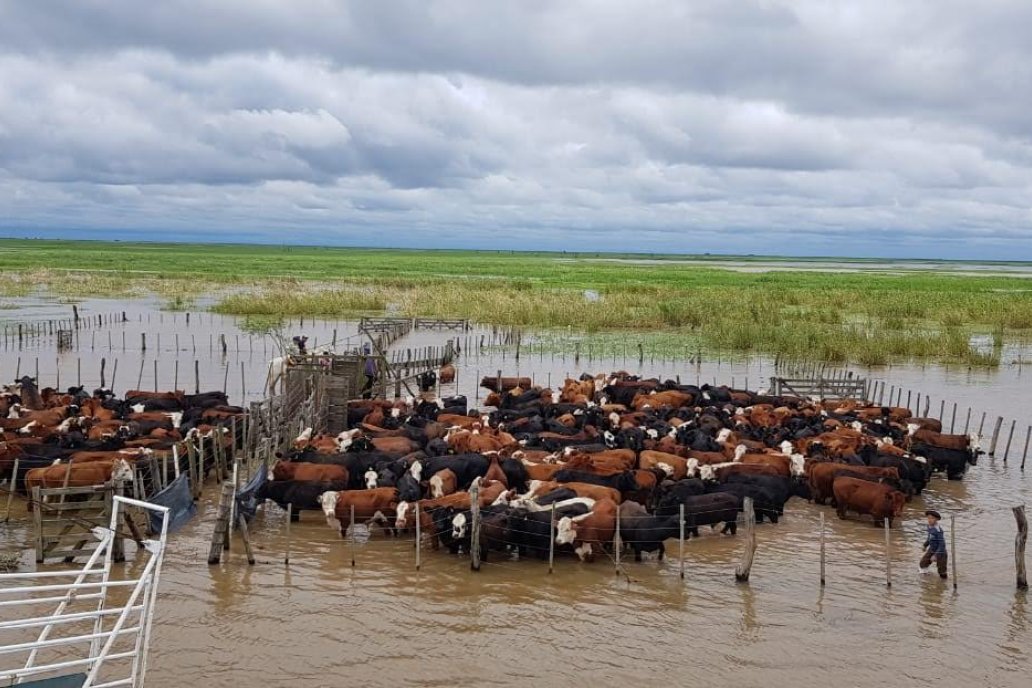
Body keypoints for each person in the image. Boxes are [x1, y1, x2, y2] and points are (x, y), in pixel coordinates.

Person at [920, 510, 948, 579]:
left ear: (936, 520)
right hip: (932, 548)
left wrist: (935, 555)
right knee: (923, 564)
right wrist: (925, 545)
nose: (929, 520)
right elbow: (929, 538)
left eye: (932, 518)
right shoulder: (929, 526)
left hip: (941, 552)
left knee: (942, 572)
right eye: (928, 518)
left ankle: (942, 585)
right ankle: (927, 579)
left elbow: (942, 545)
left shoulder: (938, 531)